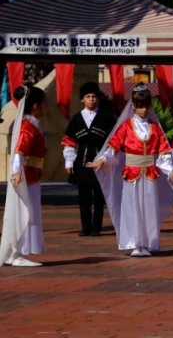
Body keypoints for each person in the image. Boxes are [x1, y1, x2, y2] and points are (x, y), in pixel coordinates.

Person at [87, 84, 173, 257]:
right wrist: (102, 160)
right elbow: (113, 148)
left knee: (149, 208)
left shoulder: (155, 128)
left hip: (149, 174)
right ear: (133, 106)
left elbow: (163, 154)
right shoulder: (125, 127)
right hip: (131, 174)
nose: (143, 110)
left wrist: (171, 171)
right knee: (132, 208)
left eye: (146, 105)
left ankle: (146, 243)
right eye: (140, 106)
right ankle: (134, 243)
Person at [0, 85, 49, 267]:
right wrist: (17, 172)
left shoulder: (32, 125)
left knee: (29, 212)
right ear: (36, 106)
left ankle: (16, 251)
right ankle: (16, 252)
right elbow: (20, 150)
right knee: (23, 212)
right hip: (26, 176)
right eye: (44, 103)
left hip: (31, 174)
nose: (47, 106)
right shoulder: (28, 127)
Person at [62, 82, 116, 237]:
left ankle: (96, 228)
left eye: (94, 96)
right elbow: (69, 141)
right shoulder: (76, 119)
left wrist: (107, 158)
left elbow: (113, 141)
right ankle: (86, 227)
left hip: (101, 160)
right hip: (82, 160)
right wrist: (69, 161)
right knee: (83, 196)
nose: (91, 99)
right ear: (82, 99)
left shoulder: (107, 117)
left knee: (99, 196)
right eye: (88, 97)